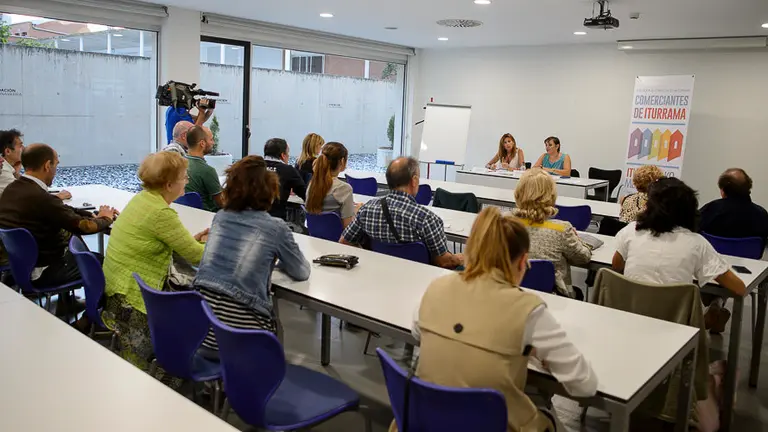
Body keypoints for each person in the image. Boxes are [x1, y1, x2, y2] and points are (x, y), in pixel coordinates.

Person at [409, 207, 597, 432]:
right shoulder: (529, 311)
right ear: (522, 261)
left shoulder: (436, 286)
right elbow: (584, 385)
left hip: (428, 420)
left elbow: (418, 333)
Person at [102, 151, 209, 381]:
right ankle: (168, 381)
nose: (187, 181)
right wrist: (214, 244)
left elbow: (166, 241)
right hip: (134, 302)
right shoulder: (161, 213)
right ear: (169, 184)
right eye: (184, 177)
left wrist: (193, 241)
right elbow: (197, 257)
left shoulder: (142, 199)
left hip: (117, 289)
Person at [195, 156, 310, 359]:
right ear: (270, 191)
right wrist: (275, 260)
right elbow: (301, 271)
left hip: (200, 331)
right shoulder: (275, 228)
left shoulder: (220, 217)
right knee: (277, 329)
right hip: (241, 338)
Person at [612, 177, 747, 334]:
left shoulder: (631, 230)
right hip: (676, 331)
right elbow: (739, 288)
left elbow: (616, 265)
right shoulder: (696, 243)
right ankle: (708, 318)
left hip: (628, 321)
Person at [0, 144, 116, 305]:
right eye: (56, 164)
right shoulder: (41, 198)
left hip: (23, 269)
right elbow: (85, 227)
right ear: (47, 165)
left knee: (70, 240)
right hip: (46, 272)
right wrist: (107, 219)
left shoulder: (13, 189)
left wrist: (92, 214)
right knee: (107, 263)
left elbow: (62, 210)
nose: (55, 169)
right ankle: (96, 318)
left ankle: (69, 304)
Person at [341, 157, 463, 269]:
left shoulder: (366, 209)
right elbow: (444, 262)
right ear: (414, 181)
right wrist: (462, 258)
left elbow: (344, 242)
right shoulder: (427, 219)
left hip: (378, 276)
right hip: (417, 282)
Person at [512, 168, 591, 298]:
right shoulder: (562, 229)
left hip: (512, 293)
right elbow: (583, 257)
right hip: (553, 298)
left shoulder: (504, 224)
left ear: (518, 193)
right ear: (551, 195)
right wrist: (578, 239)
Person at [700, 168, 768, 244]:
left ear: (723, 191)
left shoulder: (712, 209)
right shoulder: (762, 215)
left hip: (715, 255)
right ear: (748, 189)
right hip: (748, 255)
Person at [305, 142, 360, 227]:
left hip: (314, 235)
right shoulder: (343, 188)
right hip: (337, 239)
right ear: (342, 161)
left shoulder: (312, 184)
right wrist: (356, 211)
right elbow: (347, 227)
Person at [263, 138, 307, 221]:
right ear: (283, 155)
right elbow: (305, 194)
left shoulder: (253, 167)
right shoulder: (288, 170)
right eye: (288, 153)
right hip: (275, 220)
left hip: (249, 220)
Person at [185, 126, 223, 212]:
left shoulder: (178, 165)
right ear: (202, 143)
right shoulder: (207, 171)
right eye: (211, 139)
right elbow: (222, 202)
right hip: (206, 217)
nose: (213, 142)